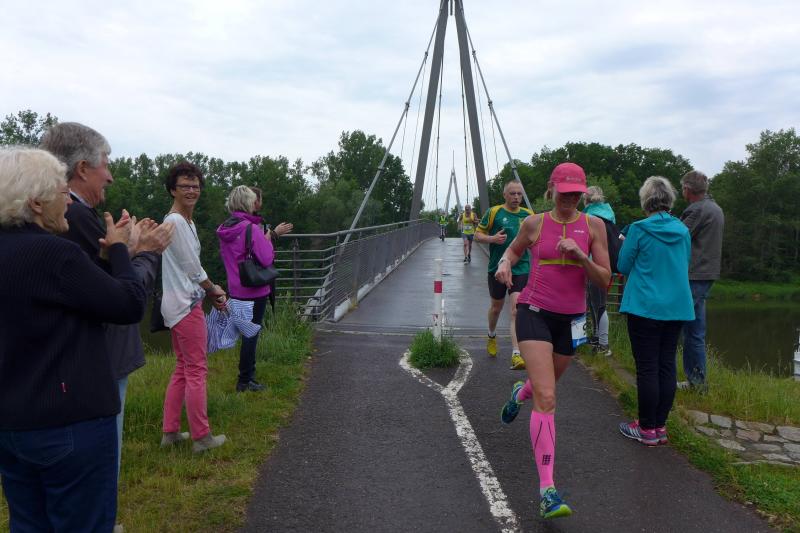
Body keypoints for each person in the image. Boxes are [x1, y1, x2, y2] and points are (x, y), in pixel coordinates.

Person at [0, 147, 146, 531]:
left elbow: (54, 303)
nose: (68, 201)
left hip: (12, 424)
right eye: (61, 192)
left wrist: (101, 264)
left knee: (29, 524)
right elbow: (128, 304)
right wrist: (121, 250)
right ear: (35, 203)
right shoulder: (55, 254)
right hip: (69, 423)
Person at [40, 122, 175, 482]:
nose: (111, 176)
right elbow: (119, 296)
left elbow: (92, 278)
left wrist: (123, 249)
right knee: (101, 460)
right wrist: (145, 253)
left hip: (63, 374)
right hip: (100, 359)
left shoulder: (61, 221)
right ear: (83, 168)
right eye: (106, 164)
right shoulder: (75, 217)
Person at [495, 162, 610, 519]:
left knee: (543, 386)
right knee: (547, 397)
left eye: (576, 194)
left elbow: (604, 279)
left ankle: (520, 393)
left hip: (572, 321)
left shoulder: (593, 226)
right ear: (552, 189)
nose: (570, 199)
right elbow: (513, 251)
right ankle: (548, 491)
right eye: (564, 193)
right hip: (535, 312)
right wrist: (504, 263)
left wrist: (581, 256)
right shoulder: (535, 223)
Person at [616, 176, 694, 446]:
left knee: (647, 367)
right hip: (677, 307)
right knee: (666, 365)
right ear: (670, 199)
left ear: (645, 200)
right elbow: (685, 262)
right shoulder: (683, 231)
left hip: (645, 306)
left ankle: (646, 428)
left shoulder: (639, 229)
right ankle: (659, 426)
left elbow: (623, 266)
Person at [160, 162, 228, 453]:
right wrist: (213, 290)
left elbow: (192, 265)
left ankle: (171, 433)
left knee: (182, 368)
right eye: (185, 186)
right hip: (186, 305)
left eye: (195, 186)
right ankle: (202, 437)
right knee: (197, 370)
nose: (191, 191)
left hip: (178, 303)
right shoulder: (175, 222)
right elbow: (192, 267)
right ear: (172, 190)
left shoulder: (186, 222)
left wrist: (208, 290)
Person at [217, 185, 292, 392]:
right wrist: (269, 239)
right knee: (251, 334)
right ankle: (245, 380)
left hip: (236, 288)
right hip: (254, 289)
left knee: (245, 333)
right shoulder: (250, 228)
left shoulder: (225, 228)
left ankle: (246, 376)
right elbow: (267, 258)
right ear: (248, 202)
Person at [474, 180, 533, 370]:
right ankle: (491, 335)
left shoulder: (529, 215)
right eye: (512, 193)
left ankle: (516, 354)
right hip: (497, 269)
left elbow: (537, 239)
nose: (516, 197)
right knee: (496, 308)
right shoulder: (494, 212)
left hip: (521, 268)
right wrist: (492, 238)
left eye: (519, 194)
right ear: (505, 195)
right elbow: (477, 235)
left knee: (516, 310)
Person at [679, 170, 724, 391]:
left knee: (675, 326)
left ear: (687, 189)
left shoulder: (697, 209)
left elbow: (677, 236)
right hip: (707, 274)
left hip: (693, 275)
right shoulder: (715, 208)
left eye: (683, 188)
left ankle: (689, 381)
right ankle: (697, 382)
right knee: (696, 331)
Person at [582, 185, 617, 356]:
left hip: (593, 265)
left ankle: (604, 344)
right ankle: (596, 337)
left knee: (599, 304)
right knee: (597, 303)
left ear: (586, 200)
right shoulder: (609, 216)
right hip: (608, 265)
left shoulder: (588, 218)